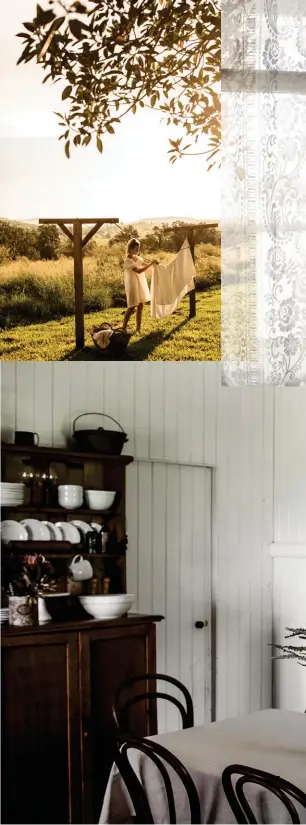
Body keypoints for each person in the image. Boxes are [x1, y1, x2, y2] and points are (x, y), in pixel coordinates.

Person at [123, 238, 158, 333]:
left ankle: (138, 329)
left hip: (140, 283)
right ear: (130, 248)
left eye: (138, 249)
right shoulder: (127, 260)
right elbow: (138, 271)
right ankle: (123, 328)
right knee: (131, 306)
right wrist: (150, 264)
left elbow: (144, 264)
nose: (137, 251)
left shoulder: (137, 258)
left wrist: (154, 264)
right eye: (136, 249)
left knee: (141, 305)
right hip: (133, 284)